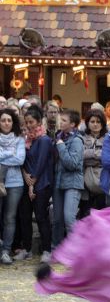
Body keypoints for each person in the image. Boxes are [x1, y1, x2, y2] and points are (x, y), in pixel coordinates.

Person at [16, 105, 54, 262]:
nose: (29, 125)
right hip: (27, 181)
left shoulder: (44, 140)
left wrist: (32, 183)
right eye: (26, 122)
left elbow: (41, 163)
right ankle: (27, 249)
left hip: (42, 183)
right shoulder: (27, 140)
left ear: (39, 122)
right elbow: (22, 160)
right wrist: (25, 175)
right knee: (24, 216)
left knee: (40, 216)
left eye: (31, 122)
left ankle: (46, 250)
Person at [52, 110, 84, 248]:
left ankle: (76, 250)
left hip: (72, 183)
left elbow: (72, 164)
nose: (60, 122)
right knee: (57, 219)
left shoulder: (77, 140)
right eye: (61, 119)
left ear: (73, 124)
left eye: (64, 120)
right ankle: (56, 248)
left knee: (69, 218)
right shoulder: (58, 137)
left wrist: (60, 146)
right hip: (58, 182)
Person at [0, 109, 26, 265]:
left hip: (15, 183)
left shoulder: (19, 139)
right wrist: (11, 153)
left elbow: (20, 160)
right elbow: (14, 158)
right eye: (3, 120)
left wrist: (2, 156)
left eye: (9, 120)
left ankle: (6, 251)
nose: (6, 123)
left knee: (10, 218)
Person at [79, 108, 107, 218]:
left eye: (98, 121)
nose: (95, 124)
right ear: (87, 123)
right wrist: (97, 154)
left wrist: (89, 154)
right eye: (92, 121)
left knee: (101, 215)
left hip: (103, 181)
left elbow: (109, 157)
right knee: (85, 214)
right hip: (85, 183)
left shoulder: (108, 139)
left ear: (103, 123)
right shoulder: (81, 138)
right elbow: (80, 156)